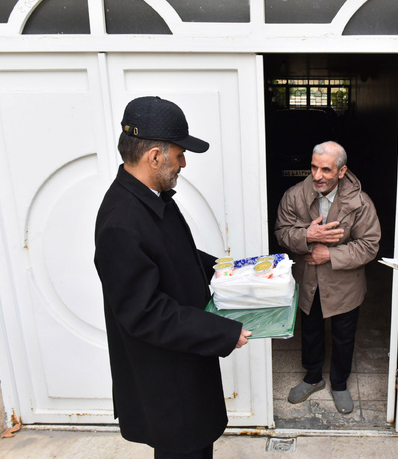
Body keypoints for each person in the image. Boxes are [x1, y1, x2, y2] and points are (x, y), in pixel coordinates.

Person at [94, 96, 252, 459]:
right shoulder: (121, 221)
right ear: (154, 156)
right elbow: (145, 312)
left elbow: (173, 257)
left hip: (185, 362)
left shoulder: (151, 198)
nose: (183, 163)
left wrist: (229, 269)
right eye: (180, 154)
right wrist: (222, 331)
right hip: (166, 383)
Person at [275, 141, 381, 414]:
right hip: (309, 280)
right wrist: (307, 237)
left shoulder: (360, 203)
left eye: (326, 169)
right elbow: (282, 232)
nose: (317, 176)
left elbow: (370, 245)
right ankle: (312, 378)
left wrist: (330, 255)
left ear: (342, 171)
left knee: (344, 335)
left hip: (345, 283)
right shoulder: (295, 195)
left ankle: (340, 383)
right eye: (313, 167)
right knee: (310, 332)